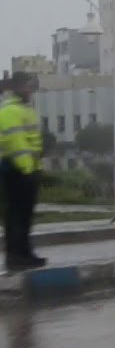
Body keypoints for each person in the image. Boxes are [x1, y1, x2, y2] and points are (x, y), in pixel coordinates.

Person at [0, 72, 46, 272]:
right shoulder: (9, 111)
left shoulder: (24, 109)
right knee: (17, 216)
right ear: (18, 88)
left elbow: (33, 142)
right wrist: (28, 169)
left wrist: (36, 168)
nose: (31, 90)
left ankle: (26, 254)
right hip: (16, 169)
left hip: (27, 169)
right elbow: (16, 143)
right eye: (28, 86)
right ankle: (16, 256)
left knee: (25, 216)